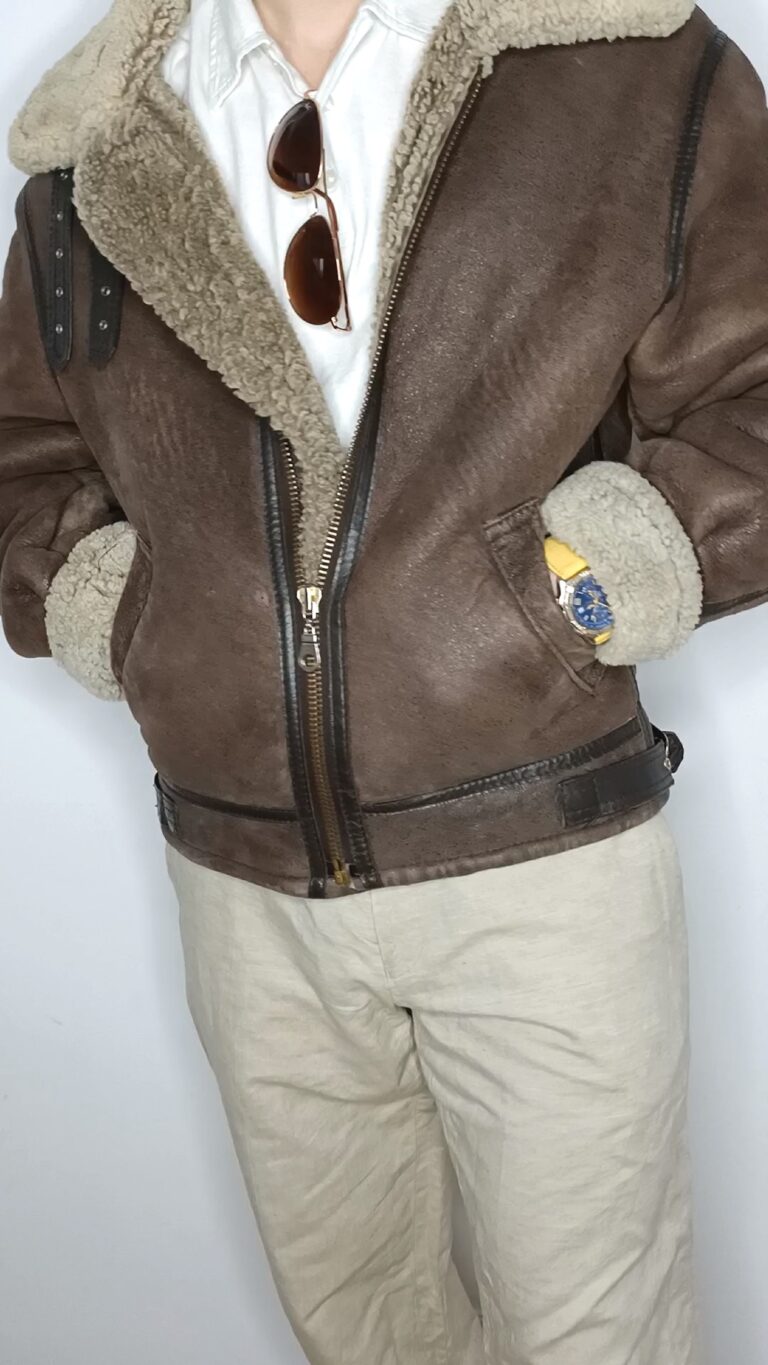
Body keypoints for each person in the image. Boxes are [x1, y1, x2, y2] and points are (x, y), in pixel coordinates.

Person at [2, 0, 767, 1360]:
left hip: (539, 858)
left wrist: (581, 584)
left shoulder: (633, 65)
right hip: (243, 886)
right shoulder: (98, 135)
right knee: (363, 1334)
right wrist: (121, 610)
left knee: (596, 1341)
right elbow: (23, 453)